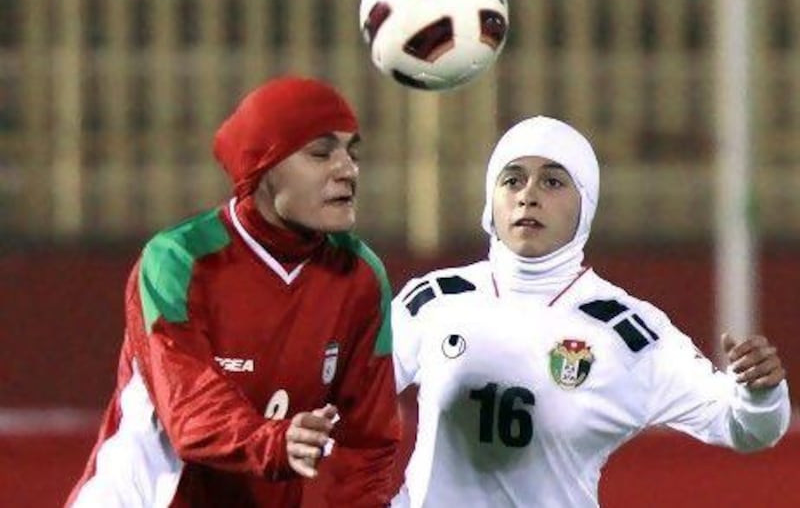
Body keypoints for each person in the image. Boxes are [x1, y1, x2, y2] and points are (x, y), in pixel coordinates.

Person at [390, 116, 791, 507]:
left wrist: (760, 394)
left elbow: (744, 428)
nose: (528, 194)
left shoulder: (628, 333)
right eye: (512, 179)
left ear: (586, 204)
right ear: (489, 200)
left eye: (553, 181)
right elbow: (345, 395)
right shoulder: (433, 300)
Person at [67, 76, 401, 507]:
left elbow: (368, 443)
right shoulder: (179, 260)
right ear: (263, 168)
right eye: (320, 153)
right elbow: (189, 412)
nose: (348, 169)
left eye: (351, 152)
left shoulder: (359, 277)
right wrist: (274, 443)